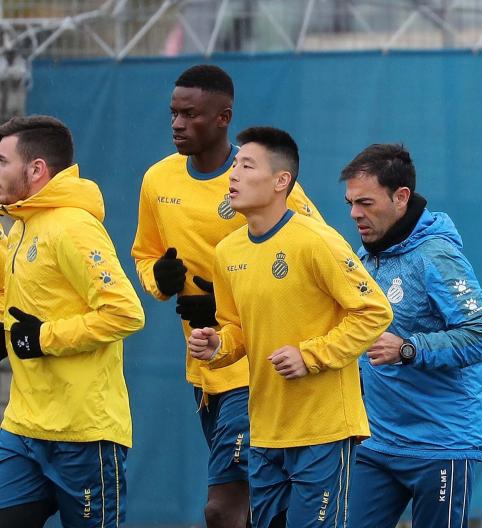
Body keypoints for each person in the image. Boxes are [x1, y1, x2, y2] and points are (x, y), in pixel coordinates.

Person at [131, 65, 323, 528]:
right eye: (173, 113)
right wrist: (161, 277)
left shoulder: (259, 180)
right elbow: (145, 255)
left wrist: (225, 298)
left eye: (190, 114)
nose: (177, 124)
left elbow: (313, 256)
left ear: (223, 117)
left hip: (258, 369)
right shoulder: (158, 180)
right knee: (259, 505)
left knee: (223, 508)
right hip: (206, 366)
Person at [188, 126, 393, 528]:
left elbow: (374, 312)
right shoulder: (228, 252)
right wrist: (218, 346)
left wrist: (310, 355)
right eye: (233, 165)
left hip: (322, 430)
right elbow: (236, 329)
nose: (233, 175)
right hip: (264, 431)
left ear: (282, 181)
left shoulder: (317, 241)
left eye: (247, 166)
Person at [341, 144, 482, 528]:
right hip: (375, 444)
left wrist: (410, 348)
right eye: (349, 202)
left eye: (365, 202)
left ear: (401, 197)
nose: (354, 214)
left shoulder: (436, 256)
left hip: (440, 446)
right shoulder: (363, 258)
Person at [0, 115, 145, 527]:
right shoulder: (20, 228)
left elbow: (125, 312)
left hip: (84, 435)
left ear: (36, 169)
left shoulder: (73, 227)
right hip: (23, 428)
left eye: (1, 161)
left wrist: (43, 339)